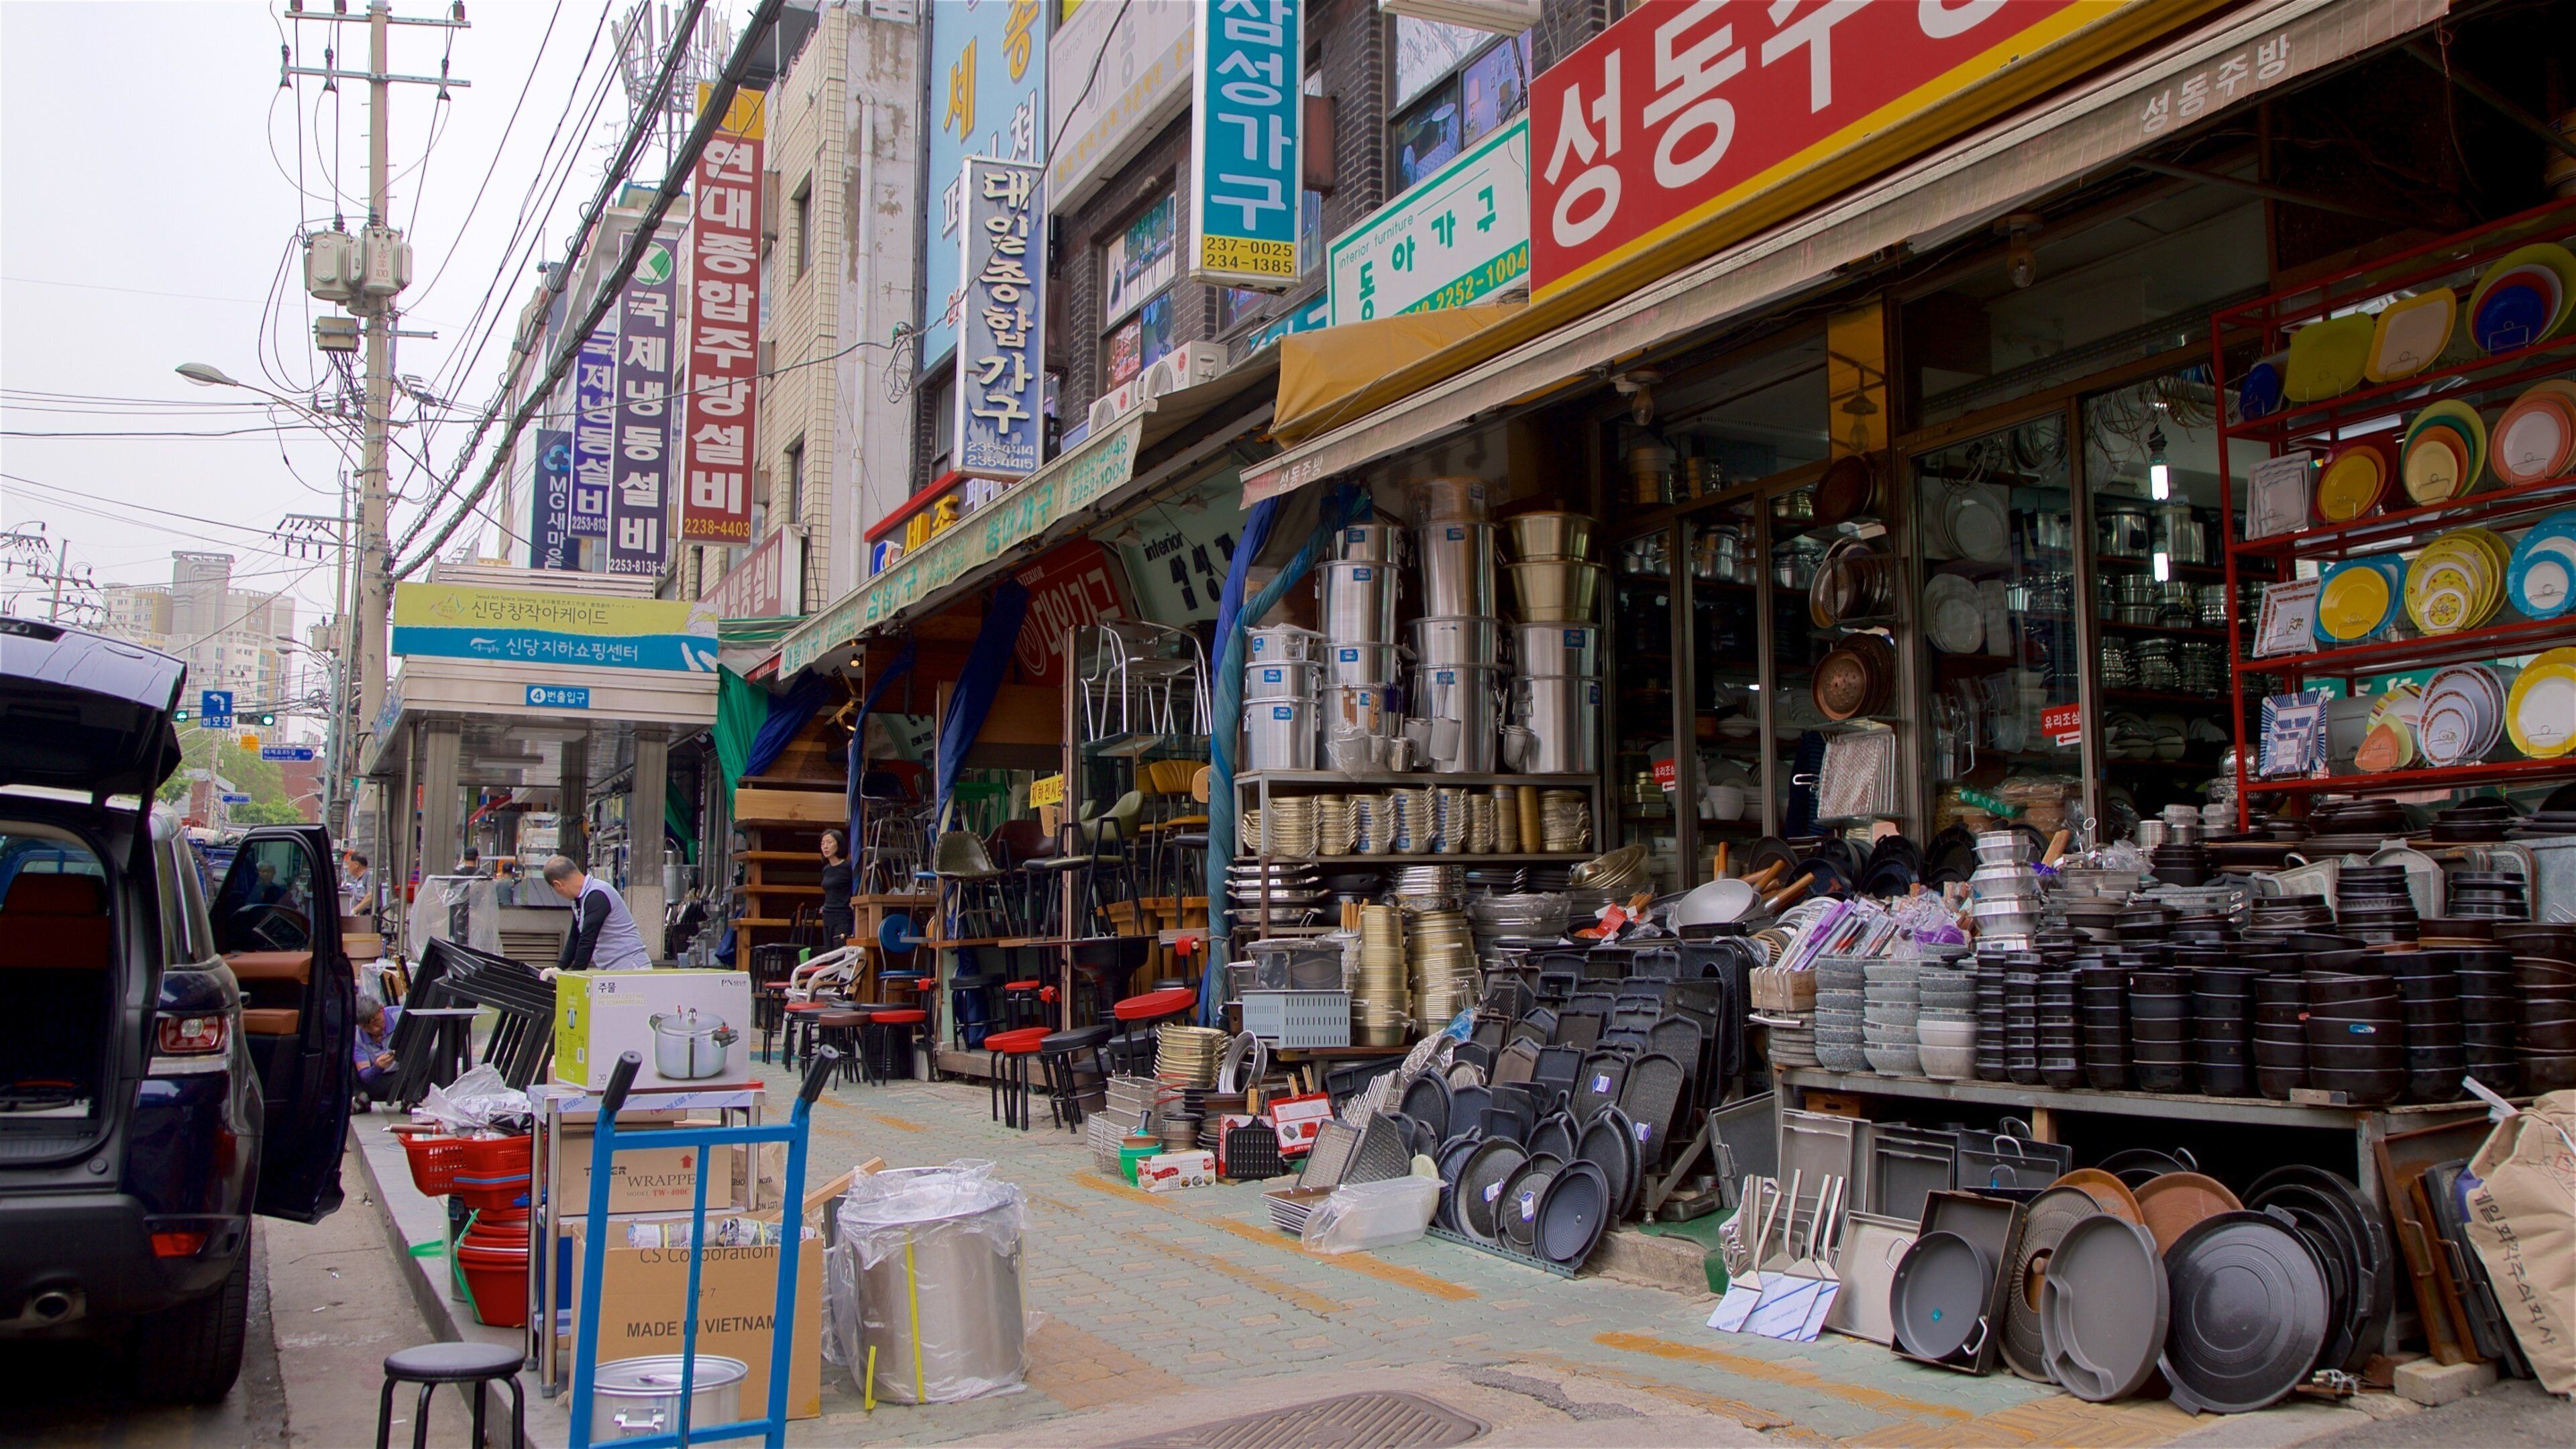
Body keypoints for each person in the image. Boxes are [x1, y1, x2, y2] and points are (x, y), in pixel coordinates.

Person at [543, 855, 655, 972]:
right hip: (611, 967)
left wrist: (574, 975)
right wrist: (559, 967)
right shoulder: (579, 900)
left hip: (629, 964)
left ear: (558, 885)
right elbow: (575, 937)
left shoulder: (597, 894)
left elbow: (588, 939)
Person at [352, 996, 400, 1110]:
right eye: (366, 1027)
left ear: (381, 1010)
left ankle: (410, 1098)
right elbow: (365, 1076)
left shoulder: (400, 1016)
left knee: (433, 1055)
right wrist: (377, 1067)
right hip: (374, 1084)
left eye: (376, 1021)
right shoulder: (357, 1036)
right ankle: (362, 1097)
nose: (374, 1029)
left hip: (403, 1077)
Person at [818, 829, 855, 944]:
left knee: (841, 954)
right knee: (830, 955)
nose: (825, 847)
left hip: (843, 916)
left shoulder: (849, 867)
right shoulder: (827, 869)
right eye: (823, 844)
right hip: (827, 916)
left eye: (829, 843)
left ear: (839, 844)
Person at [340, 851, 374, 916]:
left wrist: (355, 910)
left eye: (349, 864)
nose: (348, 867)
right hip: (360, 916)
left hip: (368, 916)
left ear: (356, 864)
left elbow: (371, 895)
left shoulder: (369, 876)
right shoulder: (358, 880)